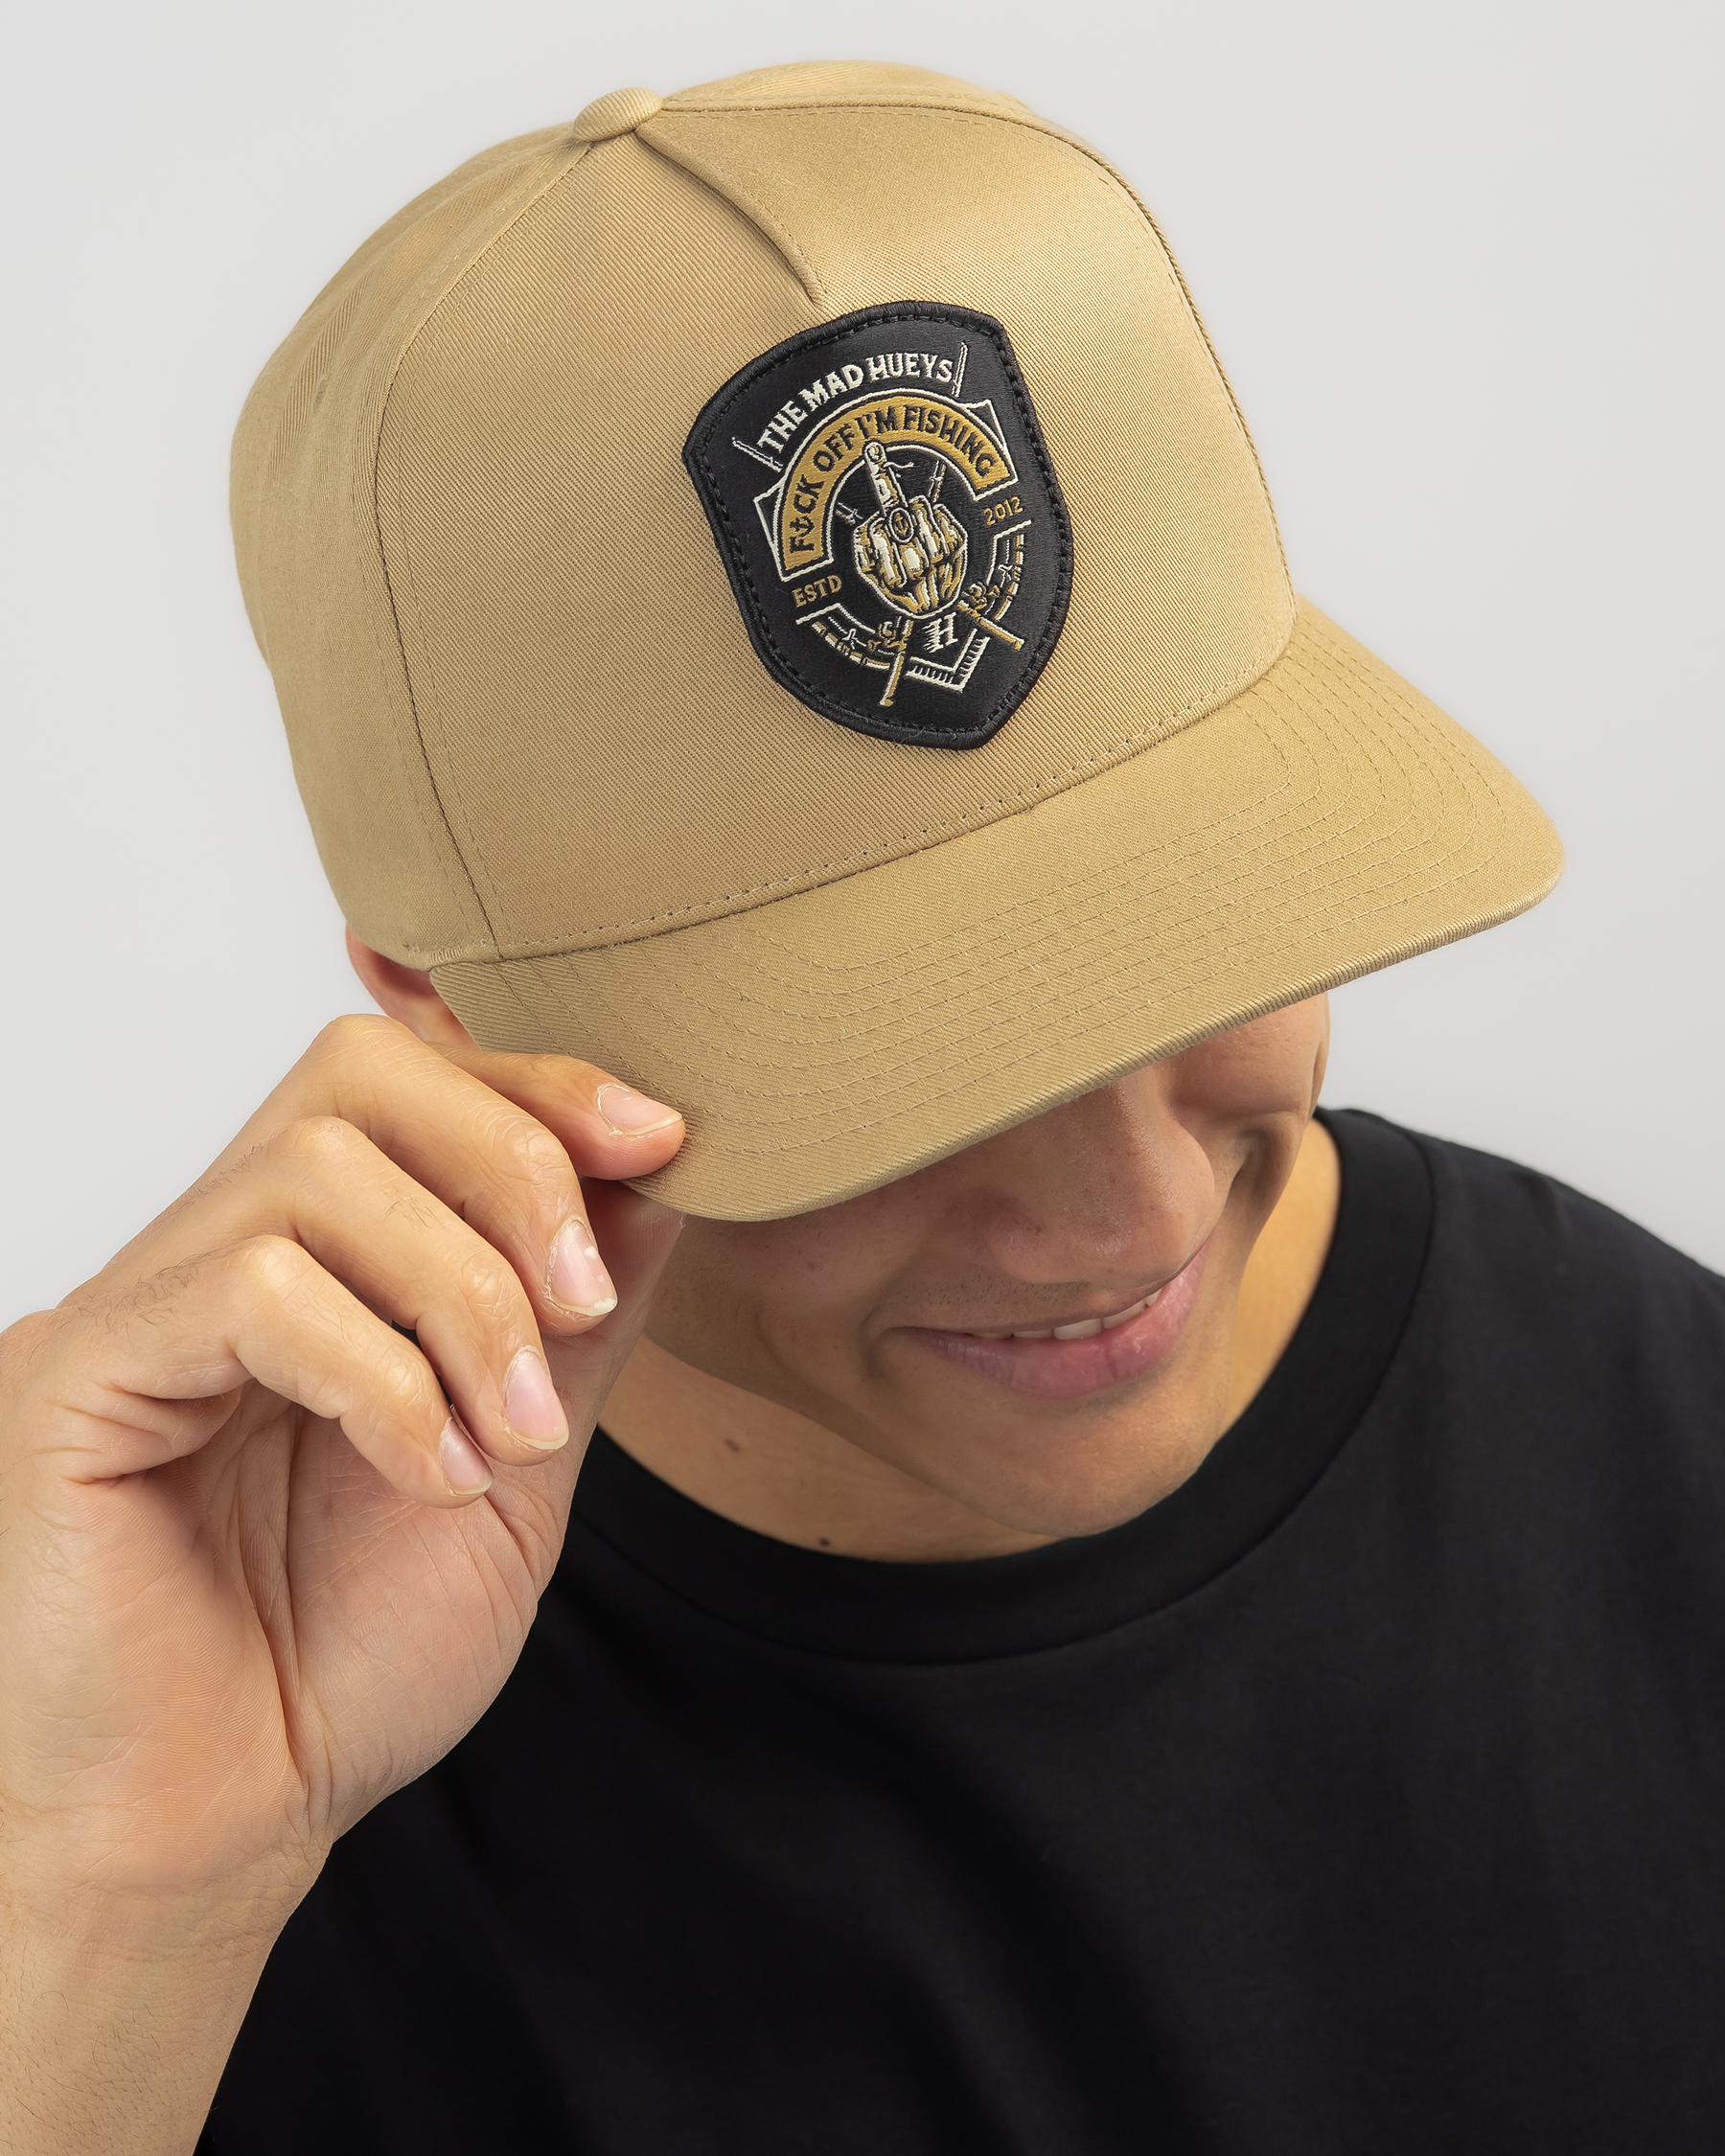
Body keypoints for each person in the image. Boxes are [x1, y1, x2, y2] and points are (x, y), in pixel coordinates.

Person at [3, 55, 1722, 2156]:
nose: (1125, 1212)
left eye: (1199, 931)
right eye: (897, 1071)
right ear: (433, 1007)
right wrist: (118, 1906)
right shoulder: (177, 1748)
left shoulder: (1677, 1457)